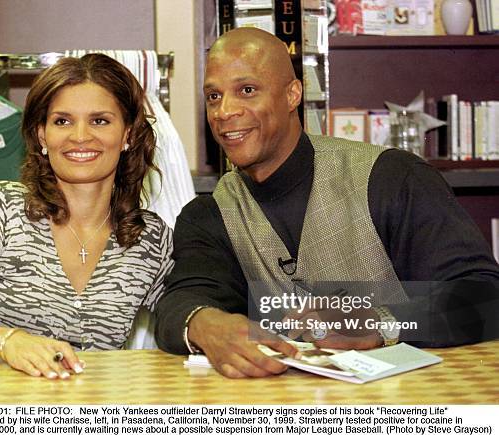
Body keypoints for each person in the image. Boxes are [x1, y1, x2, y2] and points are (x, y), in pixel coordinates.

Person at [154, 27, 499, 378]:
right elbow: (180, 302)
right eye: (213, 96)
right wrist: (204, 323)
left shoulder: (392, 178)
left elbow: (484, 295)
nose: (224, 111)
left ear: (292, 95)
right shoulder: (209, 214)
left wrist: (382, 322)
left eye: (247, 90)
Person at [0, 53, 173, 379]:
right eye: (62, 121)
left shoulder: (149, 239)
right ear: (42, 136)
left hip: (89, 419)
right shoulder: (1, 209)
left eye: (99, 120)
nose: (80, 136)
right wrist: (5, 341)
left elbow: (191, 316)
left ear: (127, 134)